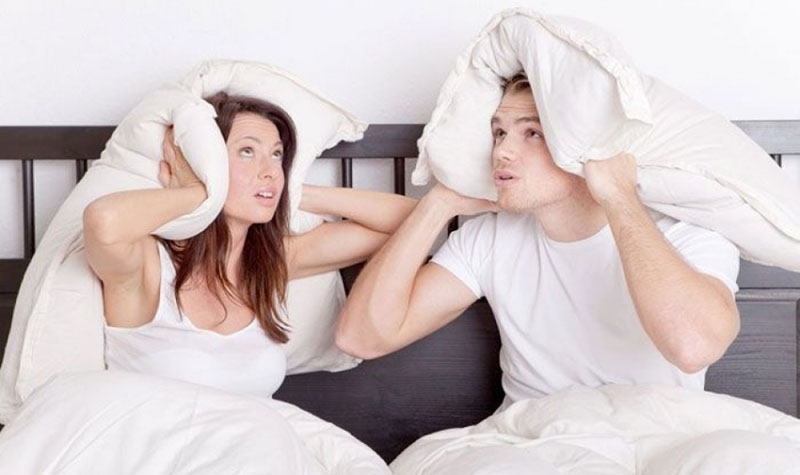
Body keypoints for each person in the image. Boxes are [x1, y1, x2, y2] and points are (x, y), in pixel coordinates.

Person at [336, 74, 741, 411]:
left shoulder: (687, 234)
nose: (502, 151)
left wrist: (619, 196)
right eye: (499, 133)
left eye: (532, 133)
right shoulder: (490, 238)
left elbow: (693, 347)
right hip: (534, 441)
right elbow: (361, 338)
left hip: (655, 437)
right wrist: (438, 204)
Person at [83, 92, 416, 398]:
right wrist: (203, 191)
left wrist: (290, 194)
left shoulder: (272, 263)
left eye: (276, 155)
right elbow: (103, 221)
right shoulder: (147, 266)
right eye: (247, 152)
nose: (270, 171)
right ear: (207, 161)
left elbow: (411, 222)